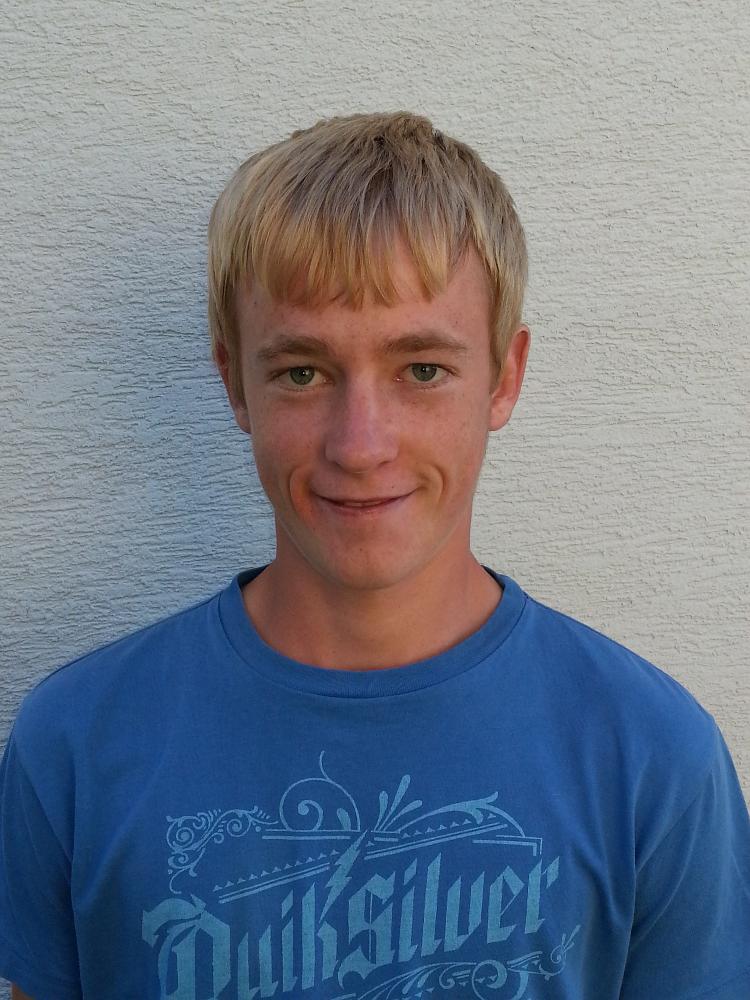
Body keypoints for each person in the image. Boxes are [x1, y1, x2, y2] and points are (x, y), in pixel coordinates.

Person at [1, 111, 749, 1000]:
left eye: (422, 369)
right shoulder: (77, 746)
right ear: (233, 380)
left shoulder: (652, 760)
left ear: (505, 377)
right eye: (303, 372)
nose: (361, 445)